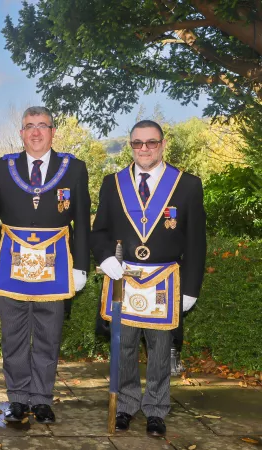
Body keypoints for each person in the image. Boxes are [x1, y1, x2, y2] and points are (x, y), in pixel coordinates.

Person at [92, 120, 206, 437]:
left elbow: (197, 242)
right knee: (124, 346)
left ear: (162, 144)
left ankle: (156, 409)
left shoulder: (187, 185)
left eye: (151, 143)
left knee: (159, 349)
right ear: (130, 146)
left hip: (166, 280)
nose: (144, 149)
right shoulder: (112, 183)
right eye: (137, 143)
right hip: (124, 278)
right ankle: (127, 405)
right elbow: (99, 230)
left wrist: (192, 287)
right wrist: (104, 257)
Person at [0, 106, 90, 425]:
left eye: (43, 126)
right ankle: (17, 398)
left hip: (55, 266)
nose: (37, 132)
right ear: (21, 133)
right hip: (11, 263)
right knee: (13, 335)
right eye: (30, 126)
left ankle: (41, 398)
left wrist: (80, 266)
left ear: (53, 132)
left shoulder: (74, 168)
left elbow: (82, 221)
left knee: (48, 335)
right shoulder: (3, 167)